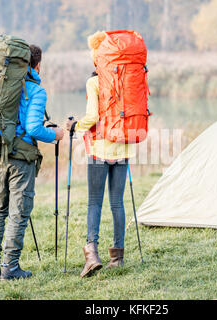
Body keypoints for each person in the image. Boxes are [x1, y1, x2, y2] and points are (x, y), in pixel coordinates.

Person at [0, 44, 64, 281]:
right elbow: (32, 128)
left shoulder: (0, 86)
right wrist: (56, 135)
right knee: (18, 213)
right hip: (21, 159)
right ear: (36, 65)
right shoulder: (36, 91)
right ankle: (10, 268)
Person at [66, 31, 134, 278]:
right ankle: (118, 258)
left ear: (97, 59)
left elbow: (93, 117)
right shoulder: (128, 80)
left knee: (95, 201)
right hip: (124, 148)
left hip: (99, 149)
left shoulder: (94, 82)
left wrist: (75, 127)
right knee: (117, 202)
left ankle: (91, 255)